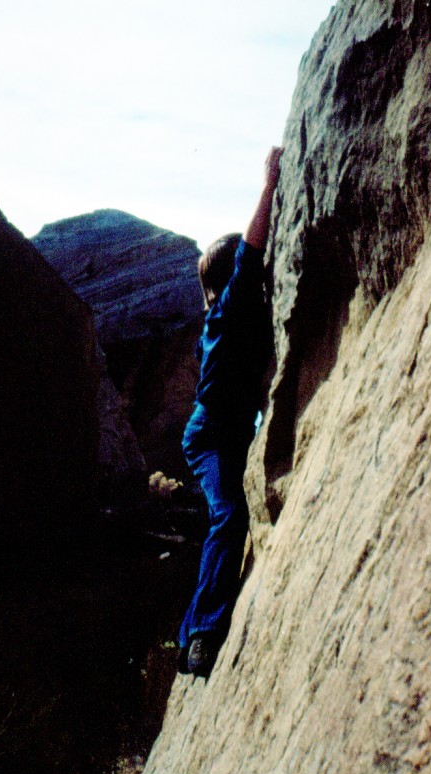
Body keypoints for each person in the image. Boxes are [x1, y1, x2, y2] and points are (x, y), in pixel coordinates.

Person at [178, 145, 283, 677]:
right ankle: (198, 637)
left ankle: (190, 631)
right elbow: (249, 252)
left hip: (225, 429)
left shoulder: (222, 319)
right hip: (213, 434)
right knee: (228, 517)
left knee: (228, 517)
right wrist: (268, 186)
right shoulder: (225, 313)